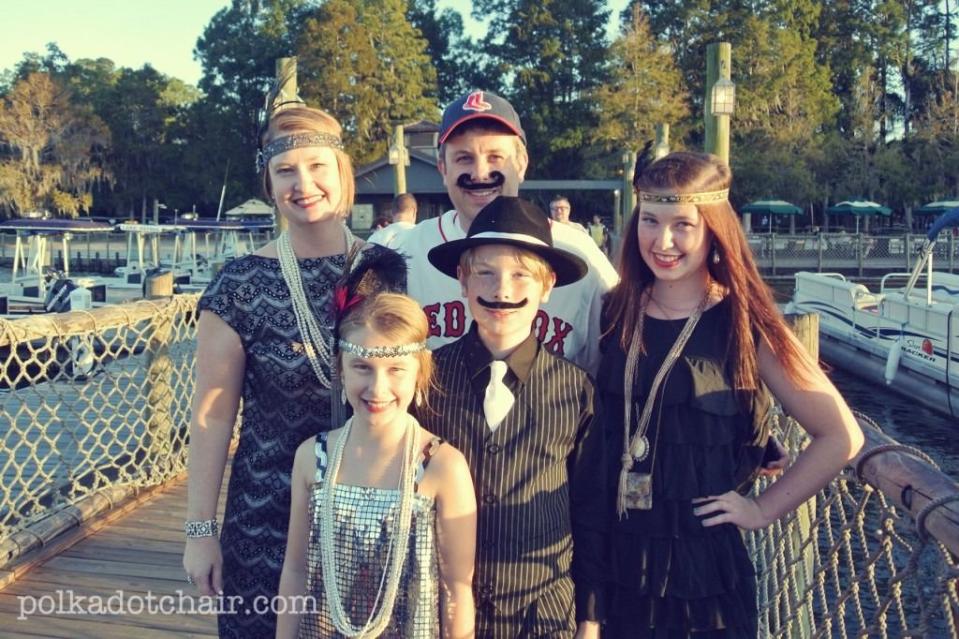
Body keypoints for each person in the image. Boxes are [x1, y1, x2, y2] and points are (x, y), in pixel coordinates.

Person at [598, 151, 864, 638]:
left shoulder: (747, 325)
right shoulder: (611, 312)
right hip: (612, 556)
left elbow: (840, 435)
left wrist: (762, 509)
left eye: (683, 224)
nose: (663, 241)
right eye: (651, 221)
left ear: (714, 229)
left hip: (704, 572)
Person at [182, 102, 406, 638]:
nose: (303, 183)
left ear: (343, 175)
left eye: (317, 166)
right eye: (286, 170)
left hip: (368, 513)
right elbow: (212, 415)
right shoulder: (239, 285)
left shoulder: (386, 270)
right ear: (270, 182)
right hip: (265, 517)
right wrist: (199, 530)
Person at [418, 195, 606, 639]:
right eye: (485, 272)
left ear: (547, 286)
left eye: (522, 274)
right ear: (462, 279)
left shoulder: (577, 390)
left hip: (542, 614)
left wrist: (591, 619)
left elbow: (591, 510)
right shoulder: (424, 380)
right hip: (436, 611)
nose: (502, 290)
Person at [368, 90, 618, 375]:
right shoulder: (402, 251)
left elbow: (610, 367)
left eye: (495, 156)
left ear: (521, 164)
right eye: (464, 158)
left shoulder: (578, 253)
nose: (480, 172)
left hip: (552, 417)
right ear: (442, 169)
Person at [276, 292, 477, 639]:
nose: (378, 388)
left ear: (420, 372)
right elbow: (295, 571)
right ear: (340, 368)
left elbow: (456, 589)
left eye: (396, 369)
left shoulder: (442, 466)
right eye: (362, 367)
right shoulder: (312, 457)